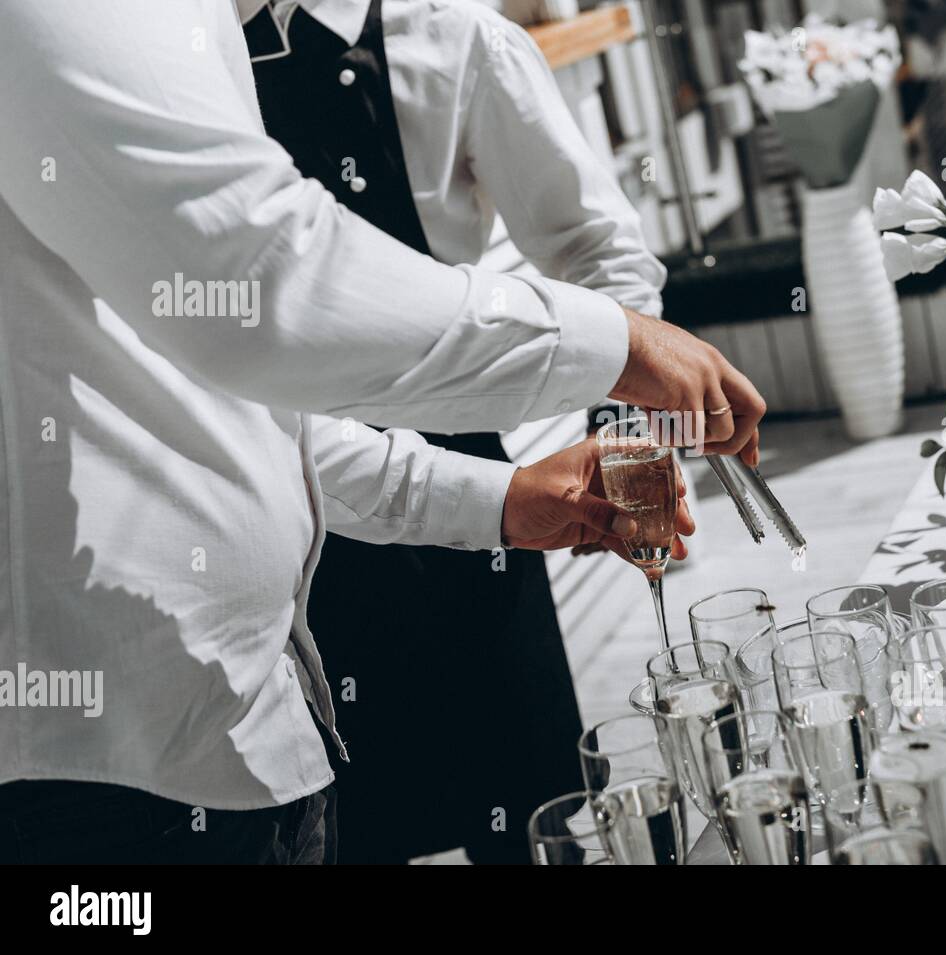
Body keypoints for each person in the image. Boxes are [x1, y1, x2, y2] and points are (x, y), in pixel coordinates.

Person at [0, 0, 764, 863]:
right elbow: (265, 288)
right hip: (118, 781)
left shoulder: (458, 40)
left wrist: (507, 495)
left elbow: (249, 412)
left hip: (281, 673)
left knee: (526, 812)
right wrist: (611, 345)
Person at [239, 0, 667, 864]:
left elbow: (600, 251)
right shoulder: (193, 59)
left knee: (529, 822)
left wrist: (623, 426)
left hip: (473, 501)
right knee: (354, 830)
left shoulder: (459, 39)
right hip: (300, 509)